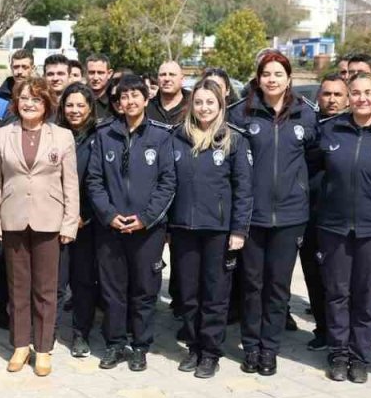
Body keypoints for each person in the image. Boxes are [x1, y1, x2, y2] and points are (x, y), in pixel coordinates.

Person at [315, 72, 371, 383]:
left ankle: (360, 356)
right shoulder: (329, 131)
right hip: (334, 227)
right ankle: (338, 353)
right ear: (348, 97)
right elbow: (314, 176)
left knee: (367, 295)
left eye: (368, 92)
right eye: (355, 93)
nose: (362, 98)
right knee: (337, 293)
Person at [229, 52, 317, 376]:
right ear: (258, 77)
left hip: (291, 216)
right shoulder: (240, 113)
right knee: (251, 284)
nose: (272, 79)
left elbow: (315, 159)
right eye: (266, 73)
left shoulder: (305, 114)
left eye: (278, 74)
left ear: (289, 78)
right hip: (253, 214)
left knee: (278, 286)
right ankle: (251, 347)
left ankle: (270, 349)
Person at [0, 77, 79, 376]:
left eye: (36, 99)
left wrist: (69, 223)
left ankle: (43, 348)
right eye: (24, 98)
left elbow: (71, 185)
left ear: (47, 104)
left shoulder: (62, 137)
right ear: (16, 102)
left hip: (49, 220)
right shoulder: (2, 135)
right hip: (12, 219)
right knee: (18, 287)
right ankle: (20, 344)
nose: (29, 104)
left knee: (46, 289)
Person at [86, 74, 176, 371]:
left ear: (146, 98)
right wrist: (110, 216)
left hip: (147, 230)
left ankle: (140, 345)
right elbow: (94, 181)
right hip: (110, 229)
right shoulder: (104, 134)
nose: (130, 101)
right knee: (112, 290)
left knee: (144, 290)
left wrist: (145, 218)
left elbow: (168, 183)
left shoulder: (161, 136)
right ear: (118, 102)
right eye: (124, 97)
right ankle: (114, 344)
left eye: (135, 95)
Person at [169, 80, 252, 379]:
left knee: (214, 295)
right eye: (199, 102)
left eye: (210, 103)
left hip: (218, 230)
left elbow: (244, 189)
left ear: (220, 106)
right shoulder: (177, 138)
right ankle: (193, 347)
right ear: (192, 105)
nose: (204, 108)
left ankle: (210, 352)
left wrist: (239, 230)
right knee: (189, 295)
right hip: (183, 228)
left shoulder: (234, 140)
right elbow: (168, 184)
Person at [299, 73, 347, 351]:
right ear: (318, 97)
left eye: (337, 94)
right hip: (310, 214)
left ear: (347, 98)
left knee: (338, 280)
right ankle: (323, 329)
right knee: (313, 275)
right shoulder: (309, 127)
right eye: (327, 94)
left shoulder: (354, 128)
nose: (331, 99)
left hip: (340, 216)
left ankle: (342, 333)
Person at [57, 83, 100, 357]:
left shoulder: (101, 136)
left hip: (88, 222)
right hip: (56, 220)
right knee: (56, 282)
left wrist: (86, 215)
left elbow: (103, 180)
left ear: (90, 108)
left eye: (80, 105)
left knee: (84, 282)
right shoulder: (53, 134)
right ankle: (46, 333)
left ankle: (80, 334)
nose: (74, 110)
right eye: (69, 105)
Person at [147, 61, 189, 126]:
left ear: (182, 79)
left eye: (172, 75)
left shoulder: (193, 106)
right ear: (158, 79)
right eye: (163, 75)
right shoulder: (146, 108)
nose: (167, 79)